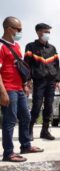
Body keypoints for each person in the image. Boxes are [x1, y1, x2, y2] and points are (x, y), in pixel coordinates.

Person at [0, 16, 43, 162]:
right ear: (8, 28)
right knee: (10, 120)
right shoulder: (1, 46)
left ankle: (25, 145)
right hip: (8, 89)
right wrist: (3, 92)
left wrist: (25, 84)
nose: (20, 32)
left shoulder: (17, 46)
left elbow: (19, 68)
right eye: (18, 29)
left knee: (26, 116)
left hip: (19, 88)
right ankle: (9, 153)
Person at [24, 23, 60, 141]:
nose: (48, 34)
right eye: (46, 32)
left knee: (49, 107)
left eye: (49, 32)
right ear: (38, 32)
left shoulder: (52, 48)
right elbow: (26, 65)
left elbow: (57, 65)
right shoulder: (30, 46)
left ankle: (45, 131)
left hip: (51, 81)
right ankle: (29, 130)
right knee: (36, 106)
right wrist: (28, 80)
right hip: (38, 81)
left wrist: (57, 80)